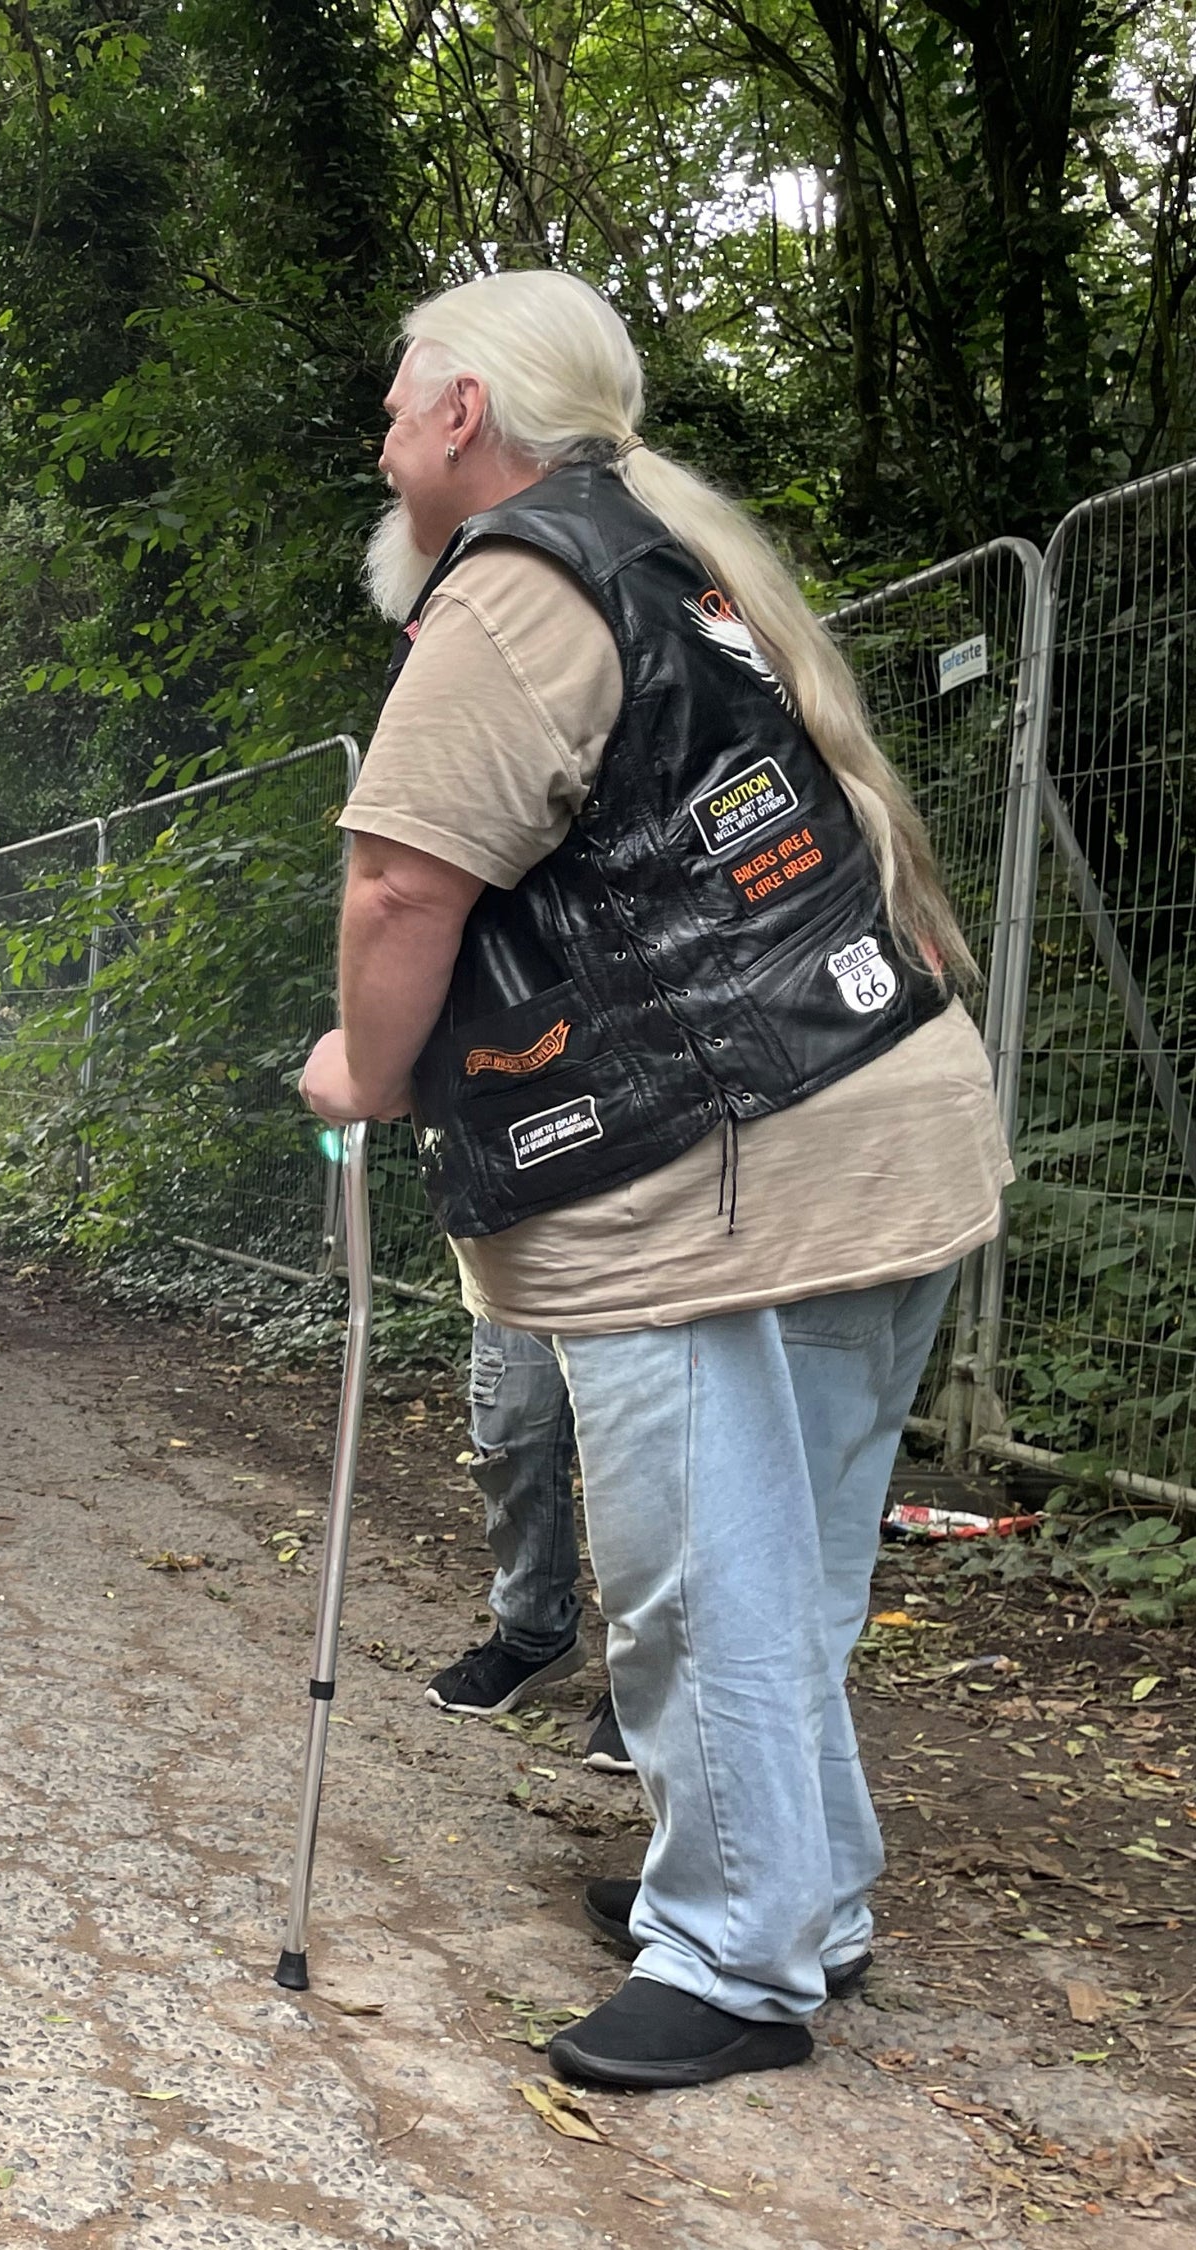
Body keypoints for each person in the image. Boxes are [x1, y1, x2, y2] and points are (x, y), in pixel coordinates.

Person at [299, 271, 1010, 2088]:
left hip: (717, 1153)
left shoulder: (520, 583)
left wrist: (361, 1072)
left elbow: (402, 885)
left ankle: (740, 1963)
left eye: (396, 405)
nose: (381, 441)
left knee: (705, 1568)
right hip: (875, 1100)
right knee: (794, 1557)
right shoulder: (671, 559)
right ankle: (800, 1897)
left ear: (465, 411)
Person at [425, 1319, 631, 1777]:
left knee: (639, 1464)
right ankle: (533, 1634)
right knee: (509, 1446)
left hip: (647, 1268)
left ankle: (652, 1675)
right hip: (520, 1258)